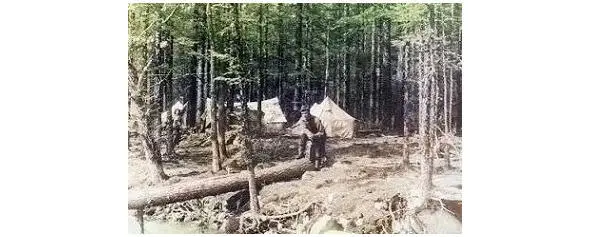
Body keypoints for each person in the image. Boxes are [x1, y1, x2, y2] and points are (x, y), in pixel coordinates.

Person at [296, 105, 327, 169]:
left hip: (319, 135)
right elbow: (304, 129)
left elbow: (322, 132)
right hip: (310, 134)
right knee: (302, 136)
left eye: (306, 113)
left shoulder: (316, 120)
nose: (304, 115)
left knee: (318, 147)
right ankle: (301, 153)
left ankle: (320, 160)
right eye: (302, 113)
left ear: (309, 112)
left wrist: (314, 136)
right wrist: (310, 135)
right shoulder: (302, 120)